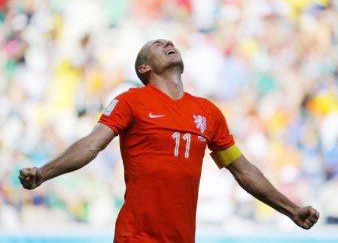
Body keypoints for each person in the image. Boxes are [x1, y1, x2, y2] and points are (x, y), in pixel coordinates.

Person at [19, 39, 320, 243]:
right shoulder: (131, 101)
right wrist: (44, 173)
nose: (167, 43)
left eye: (169, 42)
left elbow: (242, 170)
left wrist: (291, 210)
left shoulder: (208, 113)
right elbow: (91, 145)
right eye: (156, 44)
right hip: (135, 237)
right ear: (143, 69)